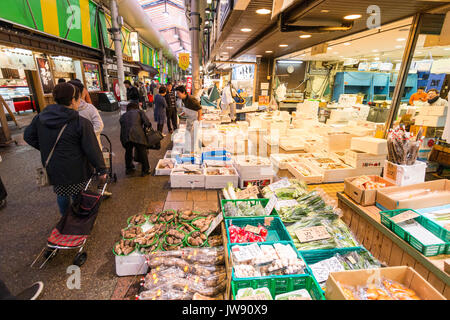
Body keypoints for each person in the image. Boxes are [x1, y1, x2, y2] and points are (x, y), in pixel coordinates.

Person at [24, 83, 107, 216]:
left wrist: (45, 147)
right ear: (73, 100)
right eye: (79, 98)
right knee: (77, 193)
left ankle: (65, 219)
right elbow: (91, 148)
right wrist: (101, 169)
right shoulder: (80, 122)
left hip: (53, 165)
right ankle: (75, 220)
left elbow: (28, 136)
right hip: (76, 167)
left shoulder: (41, 118)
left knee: (61, 193)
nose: (80, 101)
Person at [68, 80, 111, 198]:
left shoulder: (63, 111)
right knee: (99, 169)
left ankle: (82, 197)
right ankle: (96, 192)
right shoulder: (88, 108)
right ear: (82, 93)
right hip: (91, 146)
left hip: (76, 148)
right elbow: (99, 126)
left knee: (83, 171)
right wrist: (88, 137)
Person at [119, 102, 151, 177]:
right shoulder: (139, 112)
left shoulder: (123, 116)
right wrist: (148, 126)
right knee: (142, 151)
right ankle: (145, 170)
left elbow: (122, 125)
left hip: (125, 136)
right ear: (136, 107)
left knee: (128, 152)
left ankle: (128, 168)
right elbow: (146, 122)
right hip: (137, 134)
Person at [175, 85, 202, 152]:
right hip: (190, 119)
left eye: (178, 93)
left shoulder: (191, 99)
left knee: (193, 136)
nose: (177, 95)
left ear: (183, 92)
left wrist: (198, 121)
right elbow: (188, 109)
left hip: (194, 120)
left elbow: (199, 109)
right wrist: (182, 114)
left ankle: (193, 151)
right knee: (187, 134)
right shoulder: (183, 99)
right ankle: (188, 148)